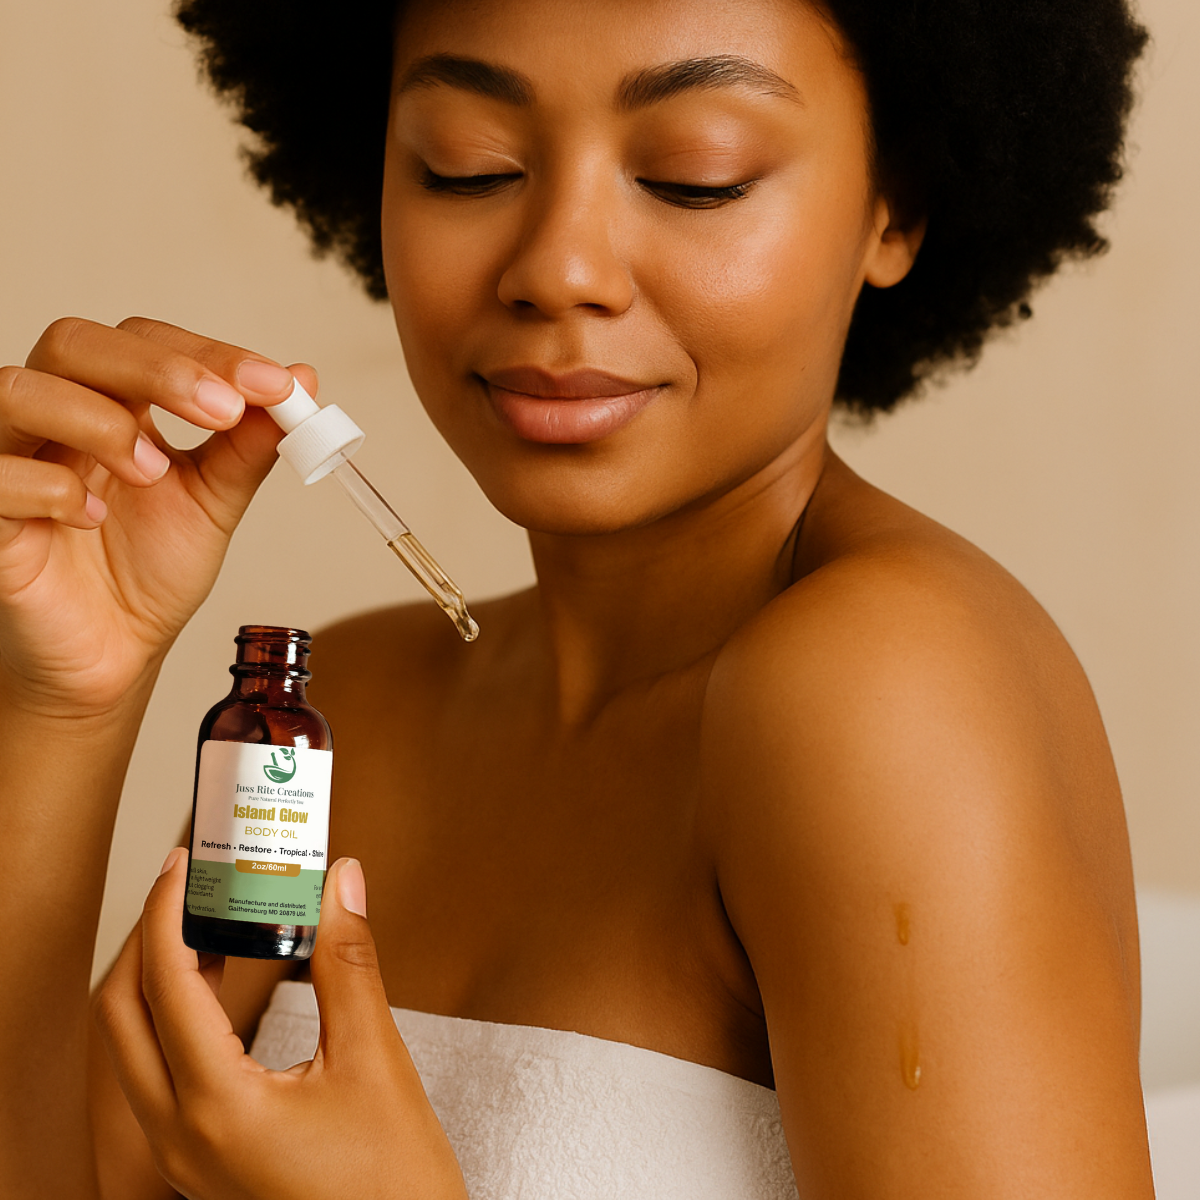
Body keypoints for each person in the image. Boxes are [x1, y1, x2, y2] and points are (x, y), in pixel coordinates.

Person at [0, 0, 1155, 1196]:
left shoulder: (885, 691)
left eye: (696, 177)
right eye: (468, 166)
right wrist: (64, 702)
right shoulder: (353, 713)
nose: (558, 268)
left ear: (894, 208)